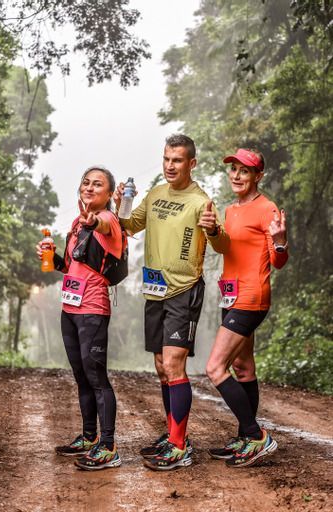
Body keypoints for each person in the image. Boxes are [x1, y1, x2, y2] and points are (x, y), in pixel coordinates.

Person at [114, 134, 230, 471]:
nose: (169, 165)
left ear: (191, 163)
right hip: (155, 291)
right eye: (166, 158)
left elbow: (221, 245)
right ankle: (172, 435)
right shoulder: (155, 194)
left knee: (174, 365)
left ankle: (179, 447)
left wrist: (213, 231)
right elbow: (128, 226)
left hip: (183, 289)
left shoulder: (201, 202)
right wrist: (119, 203)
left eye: (177, 160)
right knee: (162, 367)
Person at [36, 166, 123, 471]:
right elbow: (72, 266)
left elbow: (104, 225)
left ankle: (108, 446)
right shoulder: (77, 223)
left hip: (92, 310)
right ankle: (89, 438)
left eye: (97, 184)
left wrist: (94, 220)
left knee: (97, 378)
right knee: (81, 377)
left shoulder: (108, 220)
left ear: (109, 194)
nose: (88, 187)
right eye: (85, 182)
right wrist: (54, 257)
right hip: (70, 309)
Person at [206, 148, 288, 468]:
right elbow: (226, 247)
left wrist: (280, 241)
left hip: (251, 298)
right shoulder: (230, 210)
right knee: (243, 369)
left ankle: (256, 436)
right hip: (231, 295)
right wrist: (213, 231)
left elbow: (279, 261)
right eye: (233, 170)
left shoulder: (267, 209)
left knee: (215, 367)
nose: (237, 175)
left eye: (245, 171)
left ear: (258, 176)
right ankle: (244, 437)